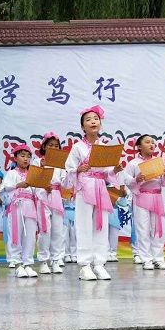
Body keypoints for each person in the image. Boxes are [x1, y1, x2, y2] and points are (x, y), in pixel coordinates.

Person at [64, 105, 122, 281]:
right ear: (83, 126)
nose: (93, 122)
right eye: (88, 120)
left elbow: (107, 171)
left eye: (96, 119)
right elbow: (69, 169)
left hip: (100, 187)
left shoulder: (103, 147)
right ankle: (85, 265)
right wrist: (78, 169)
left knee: (101, 225)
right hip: (84, 187)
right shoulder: (78, 147)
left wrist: (115, 170)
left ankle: (99, 264)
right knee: (84, 225)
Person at [123, 134, 165, 270]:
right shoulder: (133, 163)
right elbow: (126, 179)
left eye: (153, 142)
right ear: (139, 146)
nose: (151, 145)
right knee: (143, 229)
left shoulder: (159, 161)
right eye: (147, 142)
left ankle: (158, 259)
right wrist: (136, 180)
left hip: (156, 197)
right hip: (141, 197)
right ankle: (146, 259)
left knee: (158, 229)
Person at [0, 144, 39, 278]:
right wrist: (17, 185)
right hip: (17, 206)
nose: (26, 159)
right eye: (22, 156)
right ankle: (17, 264)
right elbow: (3, 189)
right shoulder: (12, 173)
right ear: (15, 158)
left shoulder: (32, 174)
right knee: (15, 233)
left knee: (30, 235)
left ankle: (28, 264)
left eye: (28, 156)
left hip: (30, 206)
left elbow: (37, 191)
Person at [33, 132, 66, 274]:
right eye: (50, 145)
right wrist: (42, 169)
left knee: (58, 230)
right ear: (44, 147)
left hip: (56, 196)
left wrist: (71, 173)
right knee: (45, 230)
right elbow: (32, 180)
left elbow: (65, 182)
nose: (53, 148)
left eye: (56, 146)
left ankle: (56, 260)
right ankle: (43, 261)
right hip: (43, 196)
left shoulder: (61, 164)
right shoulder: (37, 162)